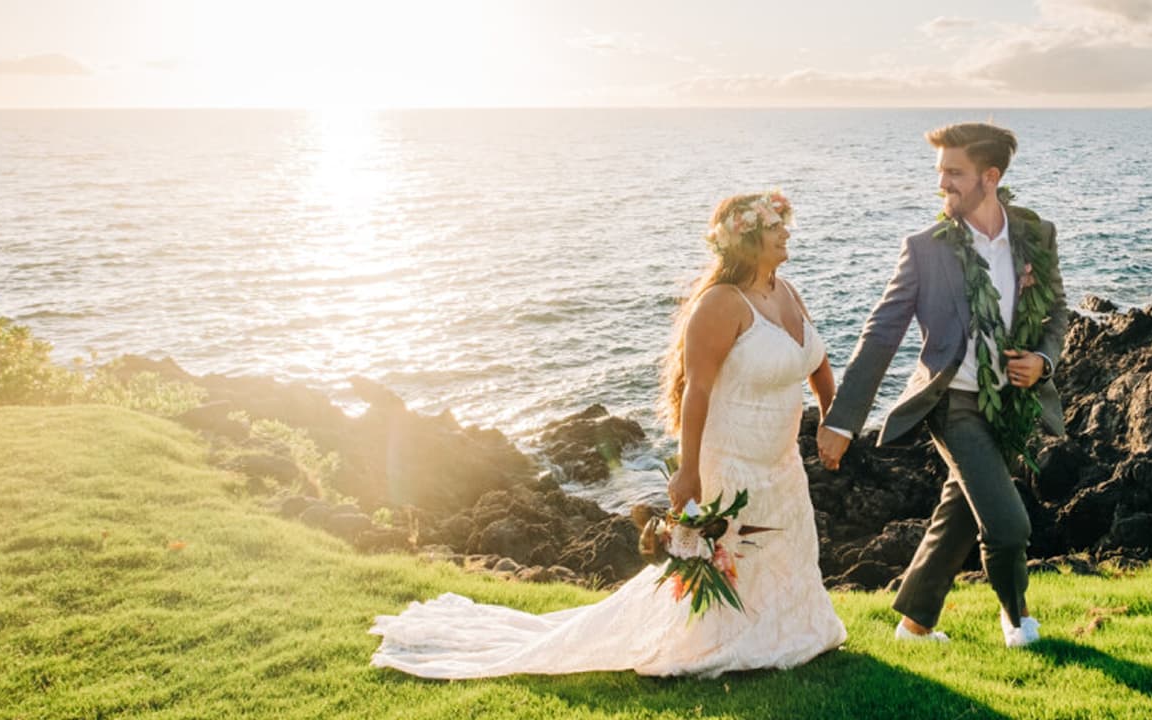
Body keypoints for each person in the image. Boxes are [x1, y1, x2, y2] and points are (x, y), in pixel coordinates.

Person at [369, 190, 847, 678]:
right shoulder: (720, 305)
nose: (786, 231)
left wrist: (834, 419)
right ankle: (729, 639)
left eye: (784, 223)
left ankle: (792, 630)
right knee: (735, 562)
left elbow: (818, 364)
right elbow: (697, 391)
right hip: (732, 462)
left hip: (782, 463)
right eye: (776, 225)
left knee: (783, 558)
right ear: (747, 238)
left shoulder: (787, 292)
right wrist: (687, 471)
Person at [816, 122, 1068, 648]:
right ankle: (1017, 621)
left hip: (1011, 406)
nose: (942, 184)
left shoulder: (1035, 235)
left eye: (954, 173)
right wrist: (842, 419)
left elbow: (1056, 314)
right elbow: (882, 333)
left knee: (961, 508)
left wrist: (1043, 360)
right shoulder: (925, 249)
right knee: (1008, 523)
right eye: (940, 173)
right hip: (951, 403)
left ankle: (914, 624)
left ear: (990, 177)